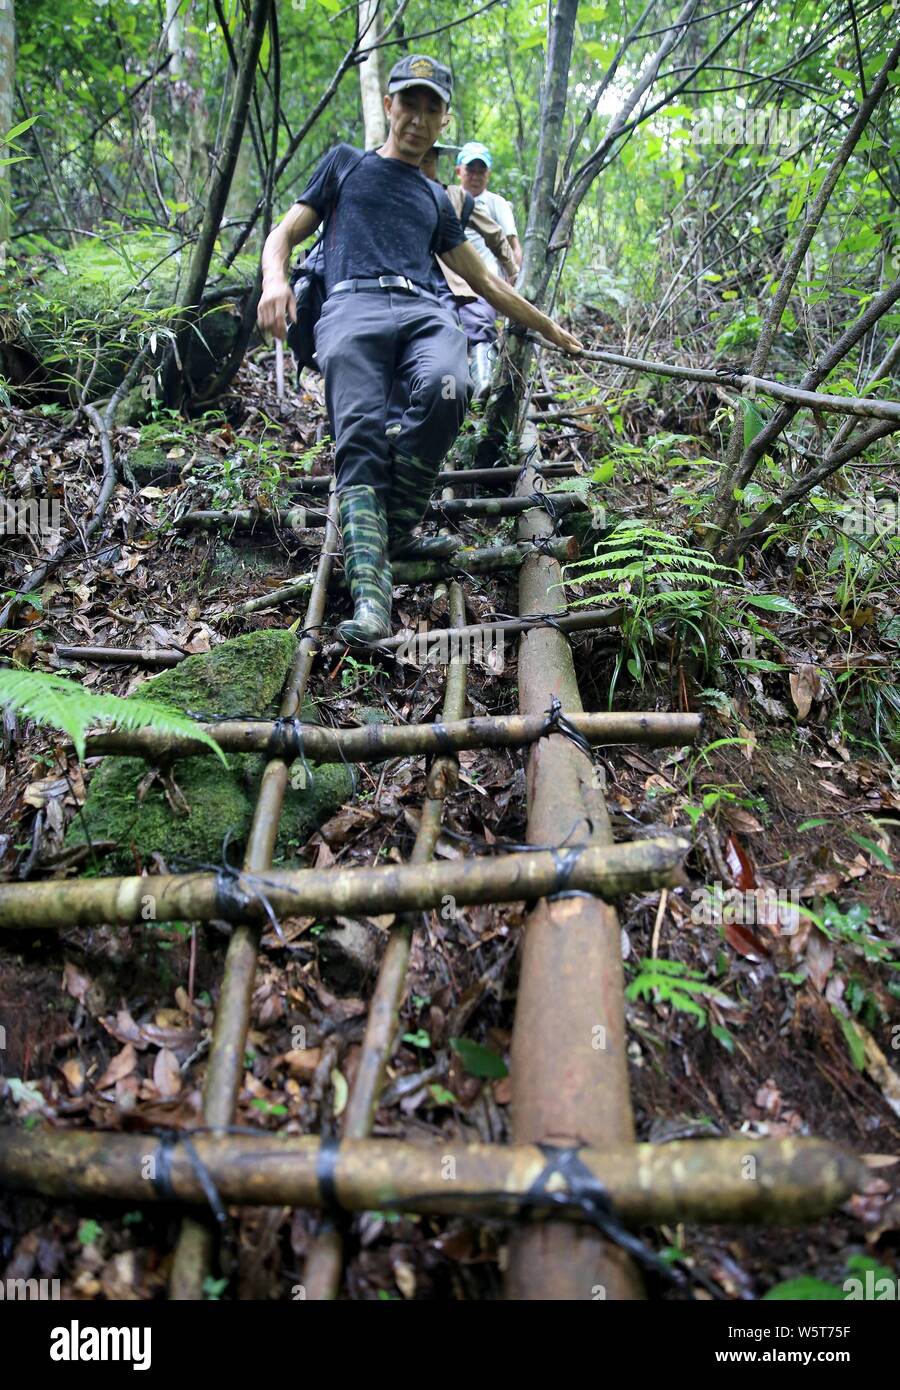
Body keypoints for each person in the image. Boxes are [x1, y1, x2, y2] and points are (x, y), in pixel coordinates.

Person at [258, 53, 581, 646]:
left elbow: (484, 283)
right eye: (409, 102)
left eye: (432, 108)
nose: (418, 118)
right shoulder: (345, 166)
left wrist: (549, 327)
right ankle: (372, 600)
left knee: (449, 385)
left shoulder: (437, 198)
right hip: (351, 305)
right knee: (358, 435)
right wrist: (274, 280)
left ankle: (397, 525)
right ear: (389, 106)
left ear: (443, 120)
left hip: (422, 310)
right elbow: (284, 233)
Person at [419, 142, 518, 399]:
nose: (475, 176)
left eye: (428, 161)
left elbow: (500, 237)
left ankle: (482, 380)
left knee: (480, 319)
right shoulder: (407, 194)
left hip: (475, 278)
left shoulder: (463, 199)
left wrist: (513, 271)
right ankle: (448, 394)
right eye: (469, 170)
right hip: (430, 282)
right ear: (458, 171)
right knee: (442, 330)